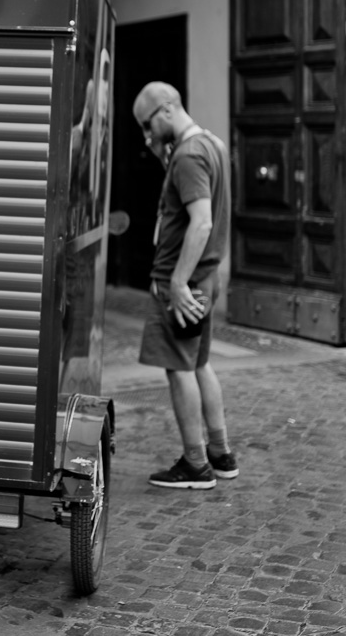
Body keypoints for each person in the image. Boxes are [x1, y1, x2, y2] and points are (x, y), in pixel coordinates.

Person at [132, 81, 238, 490]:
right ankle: (220, 452)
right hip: (206, 279)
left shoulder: (189, 155)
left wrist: (176, 282)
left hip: (184, 284)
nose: (146, 135)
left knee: (179, 370)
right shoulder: (211, 145)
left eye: (147, 124)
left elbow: (203, 222)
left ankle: (195, 464)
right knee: (199, 363)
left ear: (166, 109)